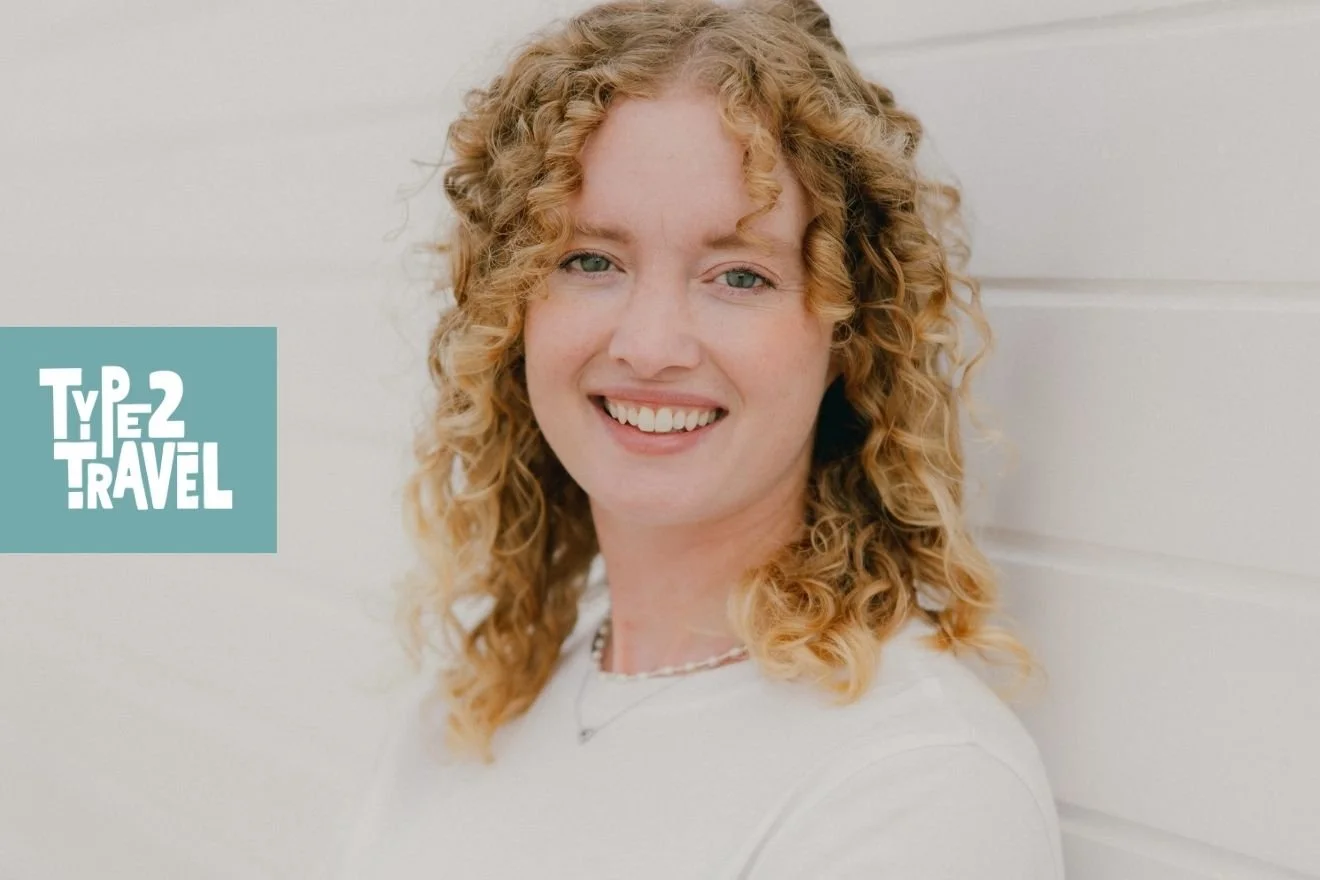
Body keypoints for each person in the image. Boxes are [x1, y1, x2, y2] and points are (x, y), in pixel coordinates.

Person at [334, 0, 1066, 876]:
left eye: (739, 275)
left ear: (848, 332)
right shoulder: (475, 712)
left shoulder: (915, 782)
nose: (649, 345)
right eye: (591, 261)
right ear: (510, 310)